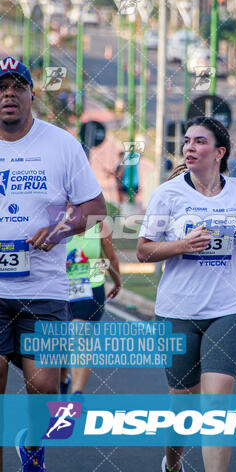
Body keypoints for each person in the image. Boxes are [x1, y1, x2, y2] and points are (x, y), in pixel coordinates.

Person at [137, 116, 236, 472]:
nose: (189, 148)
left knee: (216, 405)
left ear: (219, 152)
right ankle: (173, 464)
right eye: (186, 142)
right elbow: (144, 251)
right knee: (182, 405)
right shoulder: (168, 194)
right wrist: (183, 244)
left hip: (227, 309)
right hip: (177, 311)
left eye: (199, 142)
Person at [0, 57, 106, 472]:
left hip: (44, 288)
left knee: (43, 385)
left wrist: (61, 230)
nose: (8, 94)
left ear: (31, 94)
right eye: (1, 87)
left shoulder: (60, 144)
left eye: (17, 86)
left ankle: (32, 443)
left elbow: (95, 209)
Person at [60, 219, 121, 394]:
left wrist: (117, 282)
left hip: (91, 289)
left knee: (80, 337)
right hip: (61, 291)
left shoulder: (100, 225)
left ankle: (77, 393)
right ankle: (63, 382)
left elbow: (111, 257)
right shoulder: (57, 222)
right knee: (62, 344)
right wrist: (58, 265)